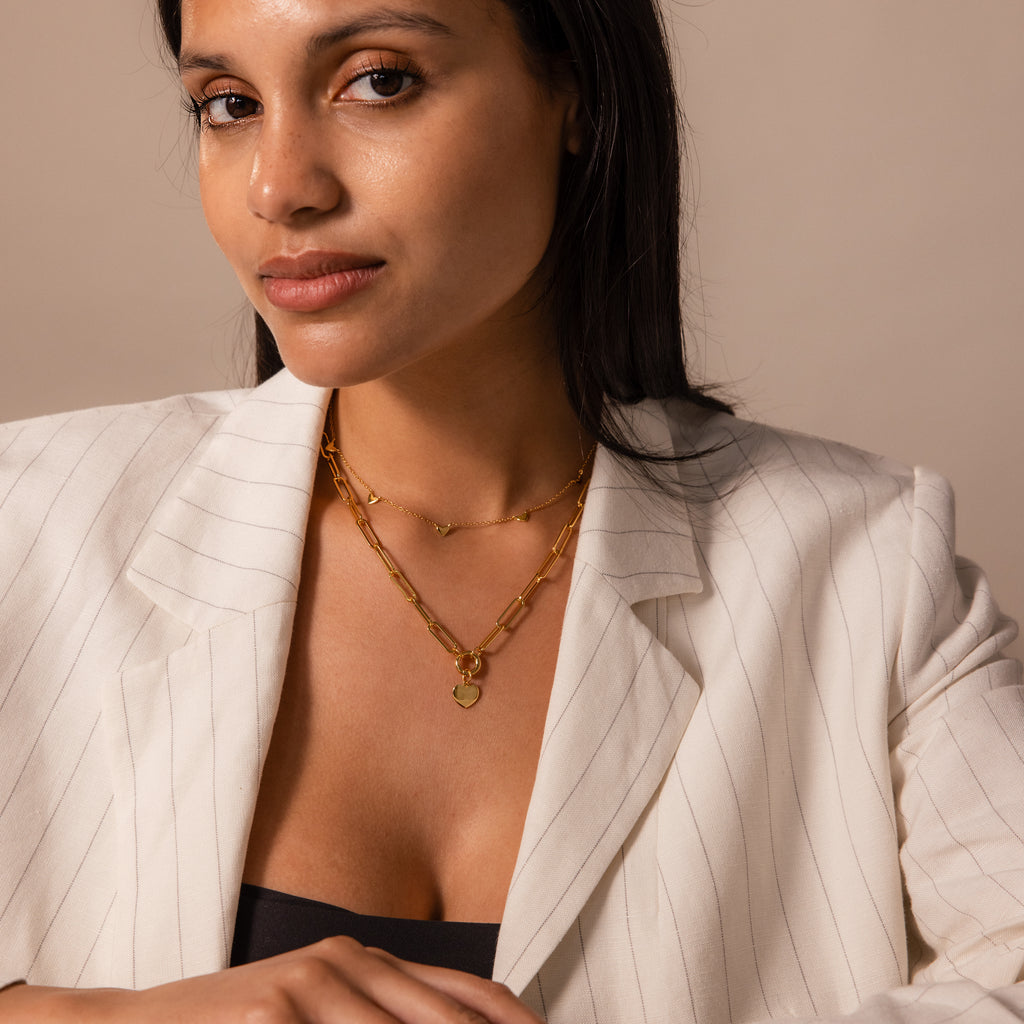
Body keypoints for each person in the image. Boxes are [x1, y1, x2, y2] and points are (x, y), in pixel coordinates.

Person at [0, 0, 1021, 1021]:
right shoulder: (30, 517)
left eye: (379, 80)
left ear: (572, 91)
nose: (279, 186)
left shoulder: (870, 568)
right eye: (228, 105)